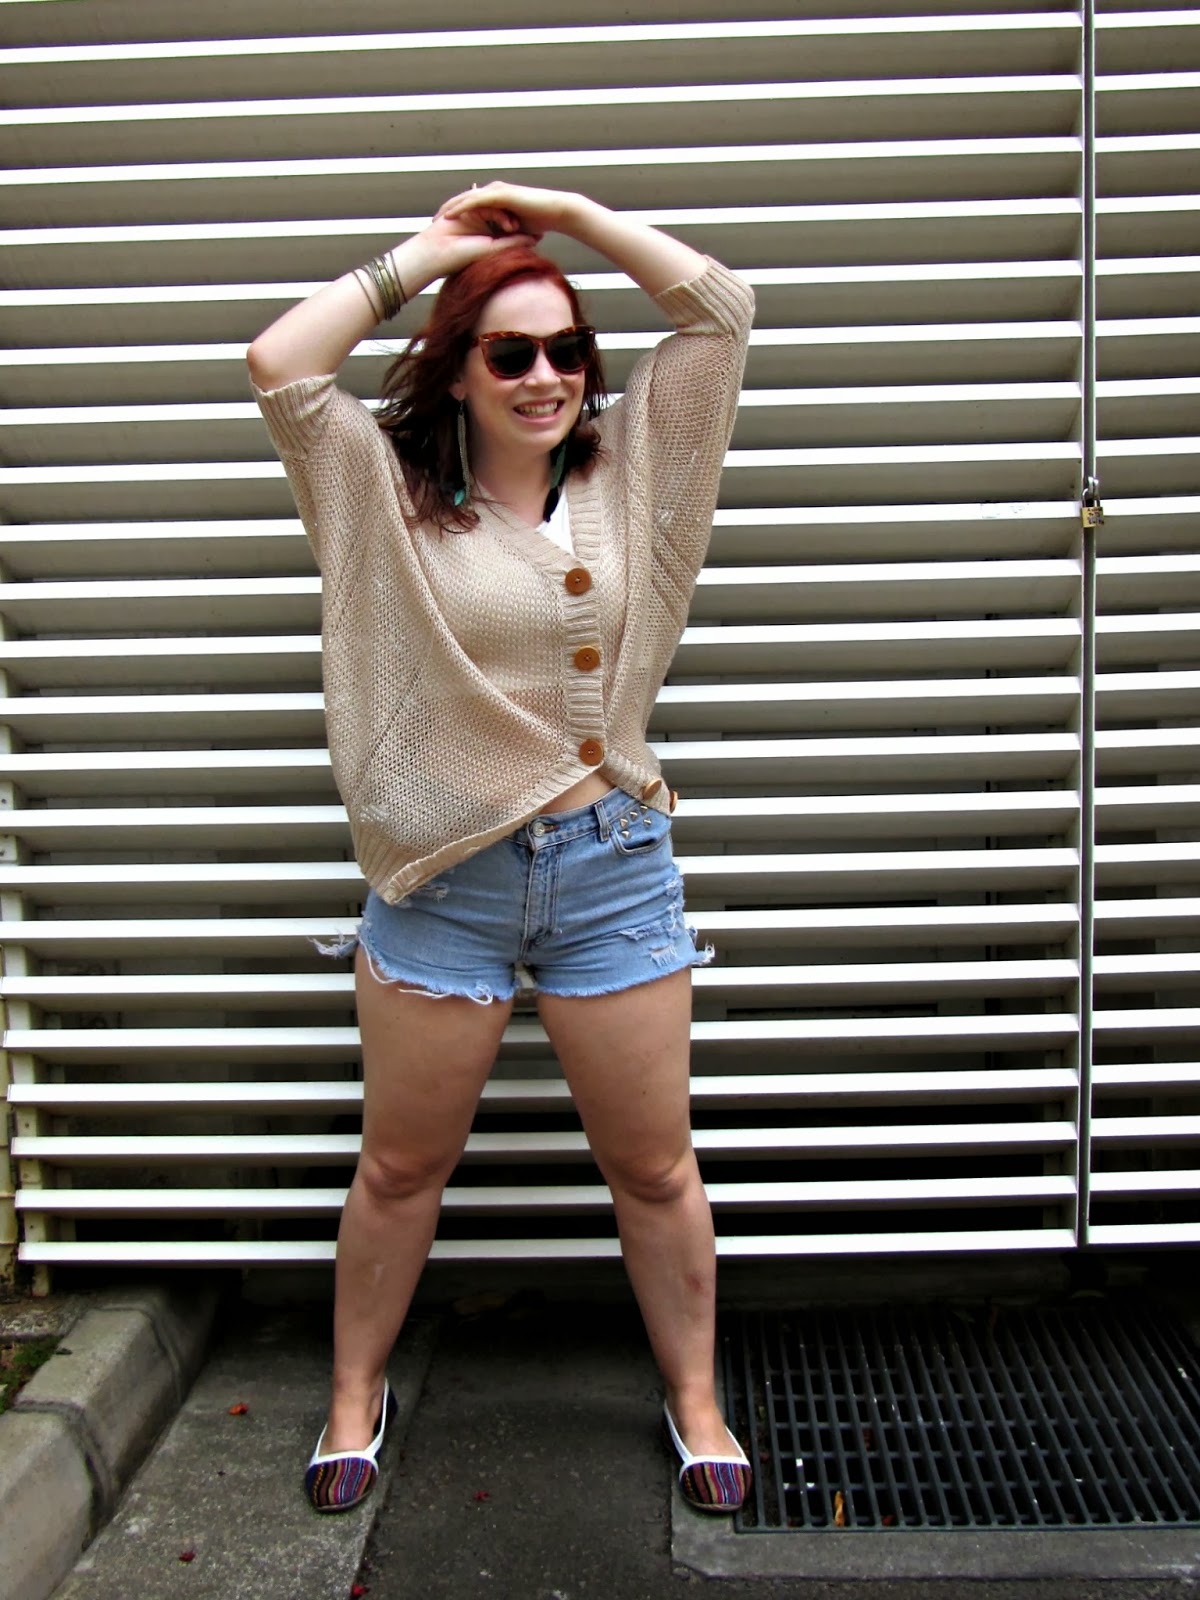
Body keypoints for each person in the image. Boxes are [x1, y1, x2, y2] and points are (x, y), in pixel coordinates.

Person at [247, 181, 756, 1517]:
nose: (547, 376)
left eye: (567, 348)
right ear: (460, 373)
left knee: (655, 1167)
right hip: (443, 884)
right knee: (400, 1167)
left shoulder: (636, 469)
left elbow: (721, 315)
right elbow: (281, 364)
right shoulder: (381, 491)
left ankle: (697, 1399)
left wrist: (571, 215)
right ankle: (355, 1394)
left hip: (612, 867)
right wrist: (429, 255)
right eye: (511, 352)